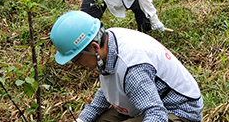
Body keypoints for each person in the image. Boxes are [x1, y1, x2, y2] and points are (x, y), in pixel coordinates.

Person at [50, 11, 203, 122]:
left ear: (94, 47)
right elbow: (109, 88)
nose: (77, 65)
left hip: (178, 110)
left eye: (76, 59)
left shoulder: (132, 68)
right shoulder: (108, 42)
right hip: (144, 99)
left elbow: (157, 114)